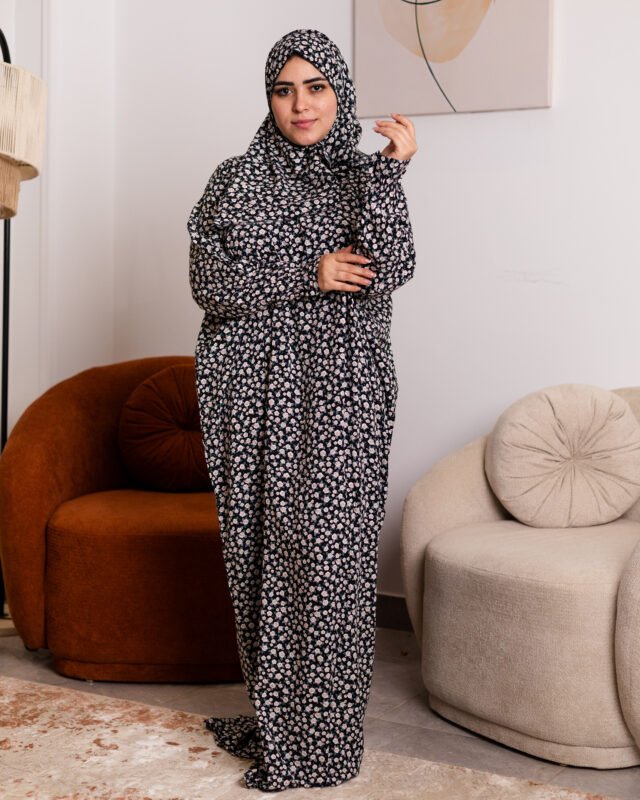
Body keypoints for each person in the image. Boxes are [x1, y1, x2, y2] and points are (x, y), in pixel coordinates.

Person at [187, 28, 417, 792]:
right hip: (248, 396)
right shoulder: (235, 180)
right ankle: (281, 723)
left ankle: (323, 743)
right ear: (269, 99)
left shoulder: (365, 177)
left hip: (340, 395)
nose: (300, 104)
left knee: (329, 563)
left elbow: (393, 265)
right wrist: (307, 272)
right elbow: (209, 282)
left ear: (340, 94)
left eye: (316, 86)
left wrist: (393, 172)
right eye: (284, 90)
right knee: (261, 558)